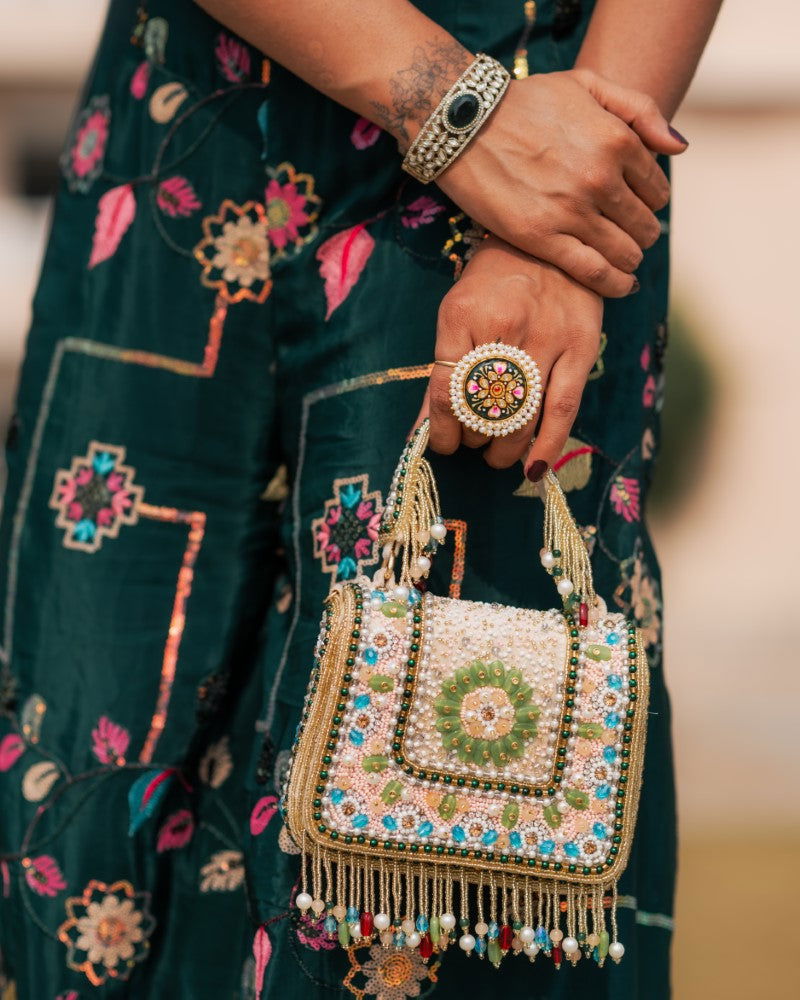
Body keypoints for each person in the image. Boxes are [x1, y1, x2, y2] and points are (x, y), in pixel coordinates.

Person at [0, 0, 720, 996]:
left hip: (539, 158)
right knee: (96, 834)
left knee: (445, 847)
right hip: (180, 149)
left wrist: (559, 222)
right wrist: (464, 114)